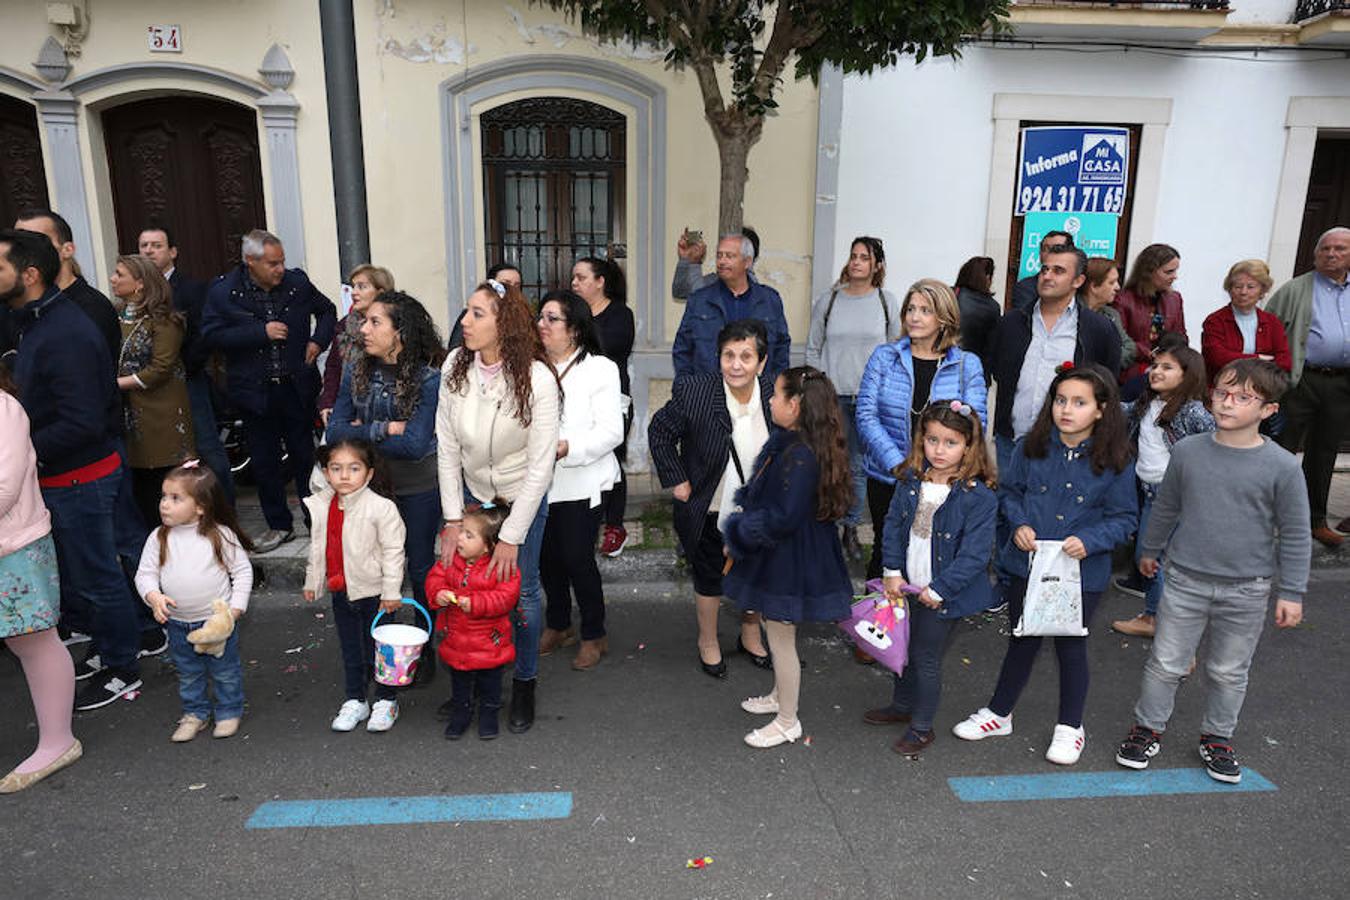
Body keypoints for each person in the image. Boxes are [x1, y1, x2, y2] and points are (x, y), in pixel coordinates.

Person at [1115, 359, 1310, 784]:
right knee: (1166, 661)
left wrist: (1291, 592)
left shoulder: (1282, 467)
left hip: (1247, 588)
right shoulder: (1188, 451)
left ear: (1268, 411)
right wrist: (1150, 549)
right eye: (1222, 392)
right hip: (1185, 579)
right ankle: (1147, 727)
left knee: (1228, 670)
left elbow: (1295, 533)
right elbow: (1167, 506)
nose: (1227, 403)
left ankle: (1218, 736)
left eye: (1243, 397)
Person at [953, 363, 1136, 766]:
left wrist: (1090, 540)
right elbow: (1009, 494)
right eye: (1060, 400)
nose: (1066, 409)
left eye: (1079, 402)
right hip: (1028, 565)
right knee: (1023, 637)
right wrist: (1018, 523)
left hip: (1080, 574)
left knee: (1071, 645)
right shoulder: (1029, 446)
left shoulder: (1116, 459)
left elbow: (1125, 519)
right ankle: (1000, 713)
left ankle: (1071, 727)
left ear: (1102, 410)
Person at [0, 229, 149, 711]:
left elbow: (83, 422)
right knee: (88, 576)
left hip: (82, 477)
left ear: (29, 275)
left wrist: (22, 452)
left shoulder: (66, 330)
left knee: (100, 575)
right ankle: (109, 650)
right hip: (64, 476)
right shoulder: (35, 322)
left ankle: (124, 666)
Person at [436, 278, 559, 734]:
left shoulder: (538, 377)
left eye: (477, 314)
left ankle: (524, 682)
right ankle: (468, 683)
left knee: (521, 594)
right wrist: (454, 518)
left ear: (503, 323)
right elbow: (446, 449)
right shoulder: (455, 366)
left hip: (520, 497)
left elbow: (541, 466)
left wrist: (510, 535)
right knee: (461, 584)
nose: (464, 322)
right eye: (466, 312)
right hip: (470, 496)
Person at [723, 366, 854, 748]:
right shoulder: (800, 445)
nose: (770, 399)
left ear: (795, 405)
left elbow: (783, 516)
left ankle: (787, 719)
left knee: (780, 637)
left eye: (777, 395)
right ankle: (780, 696)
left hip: (789, 557)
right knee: (773, 627)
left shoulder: (799, 456)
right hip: (790, 551)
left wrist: (740, 532)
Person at [867, 401, 998, 756]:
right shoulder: (911, 481)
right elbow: (892, 526)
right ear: (920, 440)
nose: (939, 450)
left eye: (951, 443)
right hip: (907, 586)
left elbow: (975, 554)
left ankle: (921, 727)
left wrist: (940, 588)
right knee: (902, 648)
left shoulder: (978, 497)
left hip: (945, 594)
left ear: (969, 447)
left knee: (925, 655)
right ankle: (902, 705)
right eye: (932, 440)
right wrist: (892, 571)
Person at [648, 320, 775, 678]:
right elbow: (659, 431)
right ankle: (708, 640)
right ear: (718, 357)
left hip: (759, 510)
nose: (736, 365)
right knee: (709, 576)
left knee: (757, 573)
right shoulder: (696, 391)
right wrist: (677, 479)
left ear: (761, 363)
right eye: (728, 355)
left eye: (746, 357)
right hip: (711, 504)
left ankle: (750, 633)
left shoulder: (776, 394)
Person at [203, 229, 336, 552]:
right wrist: (258, 333)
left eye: (282, 262)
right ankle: (279, 525)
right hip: (253, 392)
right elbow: (209, 336)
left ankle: (315, 522)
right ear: (251, 261)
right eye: (273, 263)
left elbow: (328, 311)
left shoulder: (297, 283)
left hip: (296, 388)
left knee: (306, 457)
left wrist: (318, 342)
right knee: (265, 462)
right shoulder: (224, 292)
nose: (280, 269)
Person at [856, 279, 987, 581]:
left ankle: (927, 619)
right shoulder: (884, 357)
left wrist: (937, 468)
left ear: (944, 318)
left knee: (936, 553)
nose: (914, 316)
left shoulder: (967, 365)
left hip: (943, 479)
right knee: (886, 550)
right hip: (889, 476)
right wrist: (899, 464)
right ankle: (882, 622)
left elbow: (976, 423)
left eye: (925, 310)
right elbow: (866, 415)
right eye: (910, 309)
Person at [326, 292, 442, 616]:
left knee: (419, 569)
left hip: (417, 488)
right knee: (375, 571)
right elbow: (334, 433)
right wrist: (386, 428)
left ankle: (422, 648)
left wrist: (361, 433)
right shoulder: (355, 370)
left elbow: (414, 446)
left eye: (375, 322)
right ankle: (382, 645)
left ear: (400, 332)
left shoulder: (428, 379)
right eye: (365, 320)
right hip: (371, 490)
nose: (364, 328)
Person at [0, 363, 80, 794]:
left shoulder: (4, 409)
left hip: (14, 547)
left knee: (32, 640)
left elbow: (4, 486)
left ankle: (58, 740)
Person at [134, 461, 254, 742]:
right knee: (188, 674)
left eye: (175, 498)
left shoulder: (219, 535)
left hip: (217, 623)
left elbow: (242, 571)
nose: (164, 504)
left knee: (225, 672)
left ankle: (228, 711)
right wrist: (154, 597)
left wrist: (234, 610)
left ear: (200, 506)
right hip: (178, 624)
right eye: (164, 496)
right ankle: (195, 714)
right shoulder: (158, 537)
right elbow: (145, 574)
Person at [536, 290, 623, 670]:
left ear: (574, 329)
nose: (542, 324)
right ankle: (558, 624)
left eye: (552, 318)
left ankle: (594, 633)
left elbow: (611, 432)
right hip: (538, 483)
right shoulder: (532, 366)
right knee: (545, 559)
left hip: (581, 479)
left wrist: (568, 446)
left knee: (576, 559)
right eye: (541, 317)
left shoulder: (600, 368)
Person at [990, 244, 1123, 482]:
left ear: (1078, 280)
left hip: (1066, 447)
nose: (1047, 276)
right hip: (1011, 440)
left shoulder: (1099, 330)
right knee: (1008, 512)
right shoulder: (1011, 323)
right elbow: (999, 371)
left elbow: (1107, 388)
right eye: (1044, 269)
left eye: (1058, 270)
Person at [805, 236, 902, 561]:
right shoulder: (829, 300)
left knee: (858, 465)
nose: (857, 262)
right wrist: (817, 386)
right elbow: (813, 346)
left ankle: (850, 528)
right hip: (832, 395)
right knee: (827, 462)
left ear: (877, 265)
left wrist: (886, 390)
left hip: (869, 398)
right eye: (853, 256)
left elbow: (894, 350)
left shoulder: (885, 301)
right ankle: (825, 527)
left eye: (864, 257)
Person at [1110, 342, 1215, 638]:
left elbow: (1215, 445)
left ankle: (1168, 625)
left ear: (1188, 375)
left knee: (1159, 559)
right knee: (1151, 557)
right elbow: (1117, 411)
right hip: (1151, 495)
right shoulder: (1146, 403)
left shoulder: (1192, 411)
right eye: (1155, 365)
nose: (1156, 371)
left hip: (1177, 499)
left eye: (1167, 367)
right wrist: (1090, 396)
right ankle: (1155, 617)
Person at [303, 438, 408, 733]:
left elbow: (393, 552)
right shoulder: (323, 505)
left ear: (369, 473)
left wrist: (390, 591)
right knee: (351, 649)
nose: (344, 475)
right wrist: (313, 580)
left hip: (375, 593)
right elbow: (318, 546)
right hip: (341, 590)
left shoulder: (381, 508)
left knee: (381, 651)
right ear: (325, 472)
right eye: (336, 468)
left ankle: (387, 701)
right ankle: (356, 699)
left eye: (353, 468)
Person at [1264, 226, 1350, 547]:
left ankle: (1315, 520)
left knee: (1324, 451)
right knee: (1281, 449)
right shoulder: (1295, 290)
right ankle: (1265, 517)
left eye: (1340, 249)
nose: (1331, 254)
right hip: (1300, 380)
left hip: (1341, 382)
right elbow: (1268, 330)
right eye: (1325, 249)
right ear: (1315, 255)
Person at [138, 226, 235, 504]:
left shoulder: (192, 289)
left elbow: (204, 333)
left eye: (156, 245)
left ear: (172, 252)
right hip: (151, 387)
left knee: (207, 447)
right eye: (144, 245)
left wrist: (182, 367)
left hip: (187, 379)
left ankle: (226, 513)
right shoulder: (137, 291)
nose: (149, 251)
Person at [108, 254, 196, 527]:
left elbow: (161, 368)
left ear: (140, 283)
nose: (112, 279)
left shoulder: (165, 320)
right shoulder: (115, 316)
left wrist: (116, 384)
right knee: (139, 486)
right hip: (128, 413)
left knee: (164, 482)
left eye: (120, 274)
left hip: (160, 414)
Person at [426, 502, 520, 740]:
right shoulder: (451, 561)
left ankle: (489, 713)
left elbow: (506, 598)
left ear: (489, 545)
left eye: (469, 535)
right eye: (461, 532)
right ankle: (462, 713)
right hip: (457, 639)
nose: (460, 539)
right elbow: (434, 579)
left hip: (489, 641)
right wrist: (438, 593)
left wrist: (476, 603)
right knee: (459, 681)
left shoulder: (502, 568)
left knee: (491, 683)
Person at [571, 257, 636, 557]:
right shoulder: (573, 314)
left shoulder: (621, 314)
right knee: (586, 458)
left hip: (614, 400)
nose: (574, 283)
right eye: (573, 278)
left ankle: (615, 526)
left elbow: (609, 349)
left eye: (581, 278)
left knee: (611, 458)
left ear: (600, 282)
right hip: (577, 399)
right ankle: (587, 522)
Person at [672, 234, 790, 379]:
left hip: (757, 392)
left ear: (747, 262)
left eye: (729, 256)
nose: (722, 261)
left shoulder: (769, 300)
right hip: (709, 391)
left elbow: (781, 348)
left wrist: (772, 384)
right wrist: (688, 387)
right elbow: (682, 348)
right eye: (719, 256)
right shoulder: (700, 299)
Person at [14, 209, 120, 366]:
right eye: (18, 244)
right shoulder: (16, 306)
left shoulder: (91, 308)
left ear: (67, 250)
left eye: (36, 241)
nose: (25, 252)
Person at [319, 264, 396, 425]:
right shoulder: (344, 325)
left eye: (362, 287)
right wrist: (327, 403)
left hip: (383, 410)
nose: (354, 292)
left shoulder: (395, 326)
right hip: (346, 406)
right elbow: (333, 367)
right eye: (353, 286)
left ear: (380, 293)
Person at [1201, 259, 1291, 381]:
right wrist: (1258, 359)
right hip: (1222, 386)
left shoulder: (1272, 322)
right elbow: (1216, 357)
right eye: (1238, 286)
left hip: (1262, 386)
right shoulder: (1215, 321)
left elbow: (1285, 360)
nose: (1243, 292)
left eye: (1251, 287)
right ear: (1230, 289)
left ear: (1262, 291)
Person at [1115, 243, 1186, 394]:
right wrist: (1148, 353)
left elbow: (1181, 336)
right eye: (1169, 272)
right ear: (1149, 272)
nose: (1175, 276)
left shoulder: (1175, 299)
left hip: (1166, 375)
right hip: (1131, 376)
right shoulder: (1122, 300)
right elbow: (1120, 340)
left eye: (1175, 270)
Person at [1078, 256, 1135, 377]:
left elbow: (1130, 348)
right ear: (1093, 286)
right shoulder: (1072, 312)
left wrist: (1107, 359)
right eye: (1111, 282)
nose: (1118, 287)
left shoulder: (1112, 314)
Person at [672, 226, 760, 301]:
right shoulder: (716, 280)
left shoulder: (751, 288)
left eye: (730, 254)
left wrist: (695, 263)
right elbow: (680, 292)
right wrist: (685, 260)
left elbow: (700, 300)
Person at [448, 263, 522, 350]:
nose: (511, 290)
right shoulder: (469, 315)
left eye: (516, 286)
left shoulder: (525, 319)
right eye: (505, 284)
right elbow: (456, 346)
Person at [953, 255, 1001, 384]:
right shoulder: (992, 307)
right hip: (973, 374)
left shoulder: (949, 294)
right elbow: (991, 349)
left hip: (945, 365)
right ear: (987, 278)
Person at [1011, 230, 1074, 313]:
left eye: (1057, 248)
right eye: (1045, 248)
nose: (1050, 253)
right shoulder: (1026, 288)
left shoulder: (1078, 285)